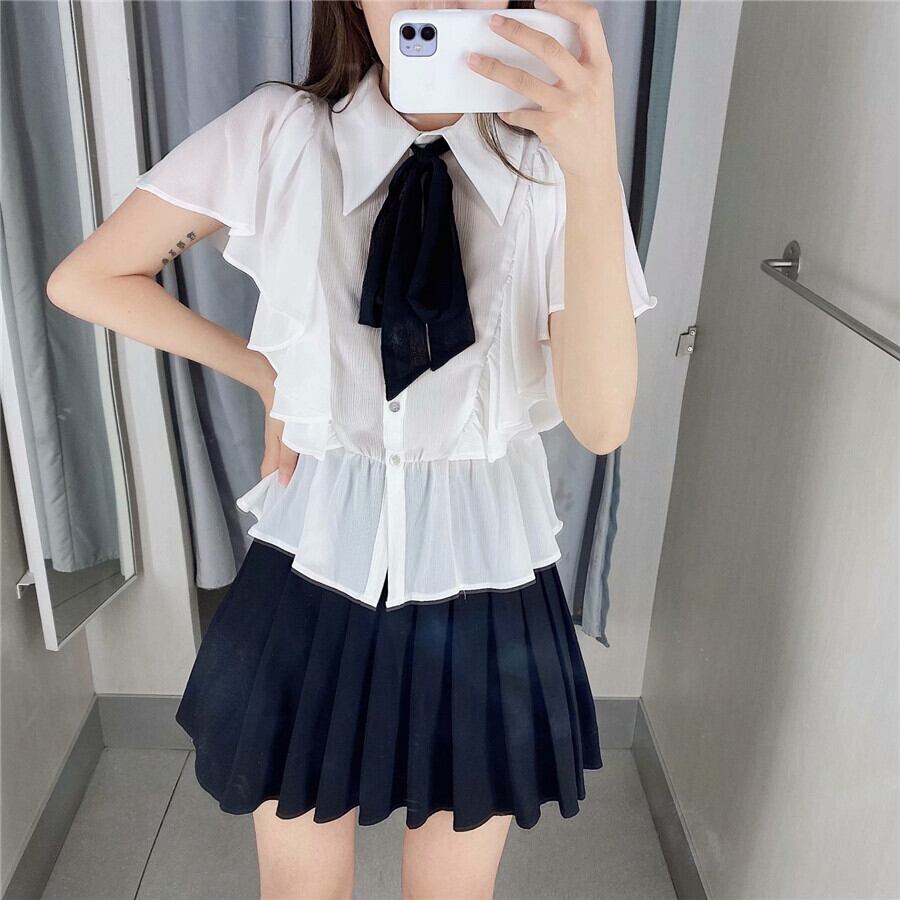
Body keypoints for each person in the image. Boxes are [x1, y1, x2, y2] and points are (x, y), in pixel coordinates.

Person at [47, 0, 656, 897]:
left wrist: (593, 162)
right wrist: (263, 373)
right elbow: (88, 277)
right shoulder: (280, 134)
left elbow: (601, 422)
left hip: (485, 574)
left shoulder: (555, 165)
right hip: (315, 560)